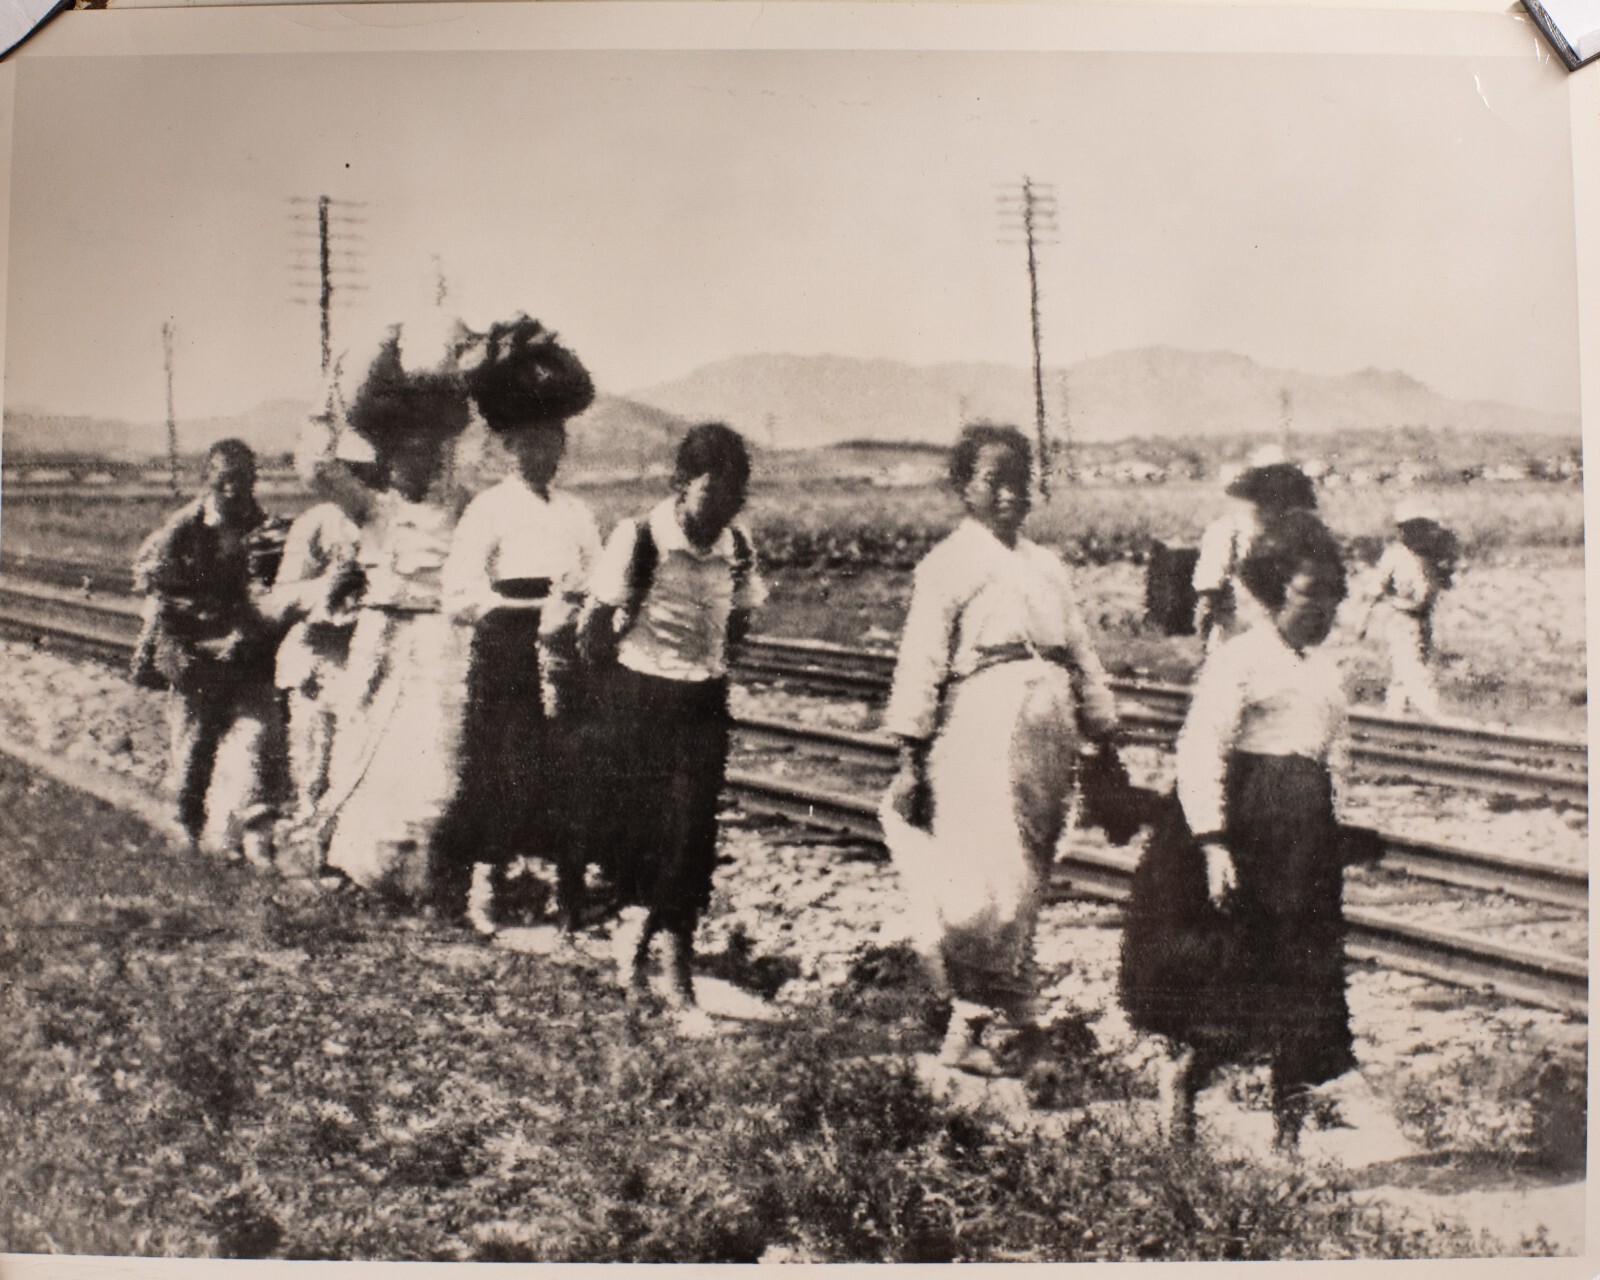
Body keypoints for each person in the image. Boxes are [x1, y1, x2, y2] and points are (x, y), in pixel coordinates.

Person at [1120, 509, 1373, 1152]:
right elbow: (1202, 748)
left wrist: (1335, 830)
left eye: (1331, 596)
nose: (1323, 609)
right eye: (1308, 594)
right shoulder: (1240, 659)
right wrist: (1212, 843)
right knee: (1234, 984)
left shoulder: (1324, 671)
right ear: (1273, 590)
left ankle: (1286, 1146)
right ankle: (1182, 1106)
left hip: (1304, 843)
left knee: (1302, 989)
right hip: (1251, 833)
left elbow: (1334, 756)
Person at [879, 423, 1121, 1076]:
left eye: (1020, 480)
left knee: (1030, 870)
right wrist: (910, 758)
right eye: (993, 480)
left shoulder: (1046, 567)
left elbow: (1080, 651)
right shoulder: (949, 565)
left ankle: (983, 1027)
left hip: (1049, 722)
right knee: (991, 873)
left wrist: (1102, 732)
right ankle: (995, 1020)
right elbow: (922, 661)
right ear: (964, 489)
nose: (1010, 493)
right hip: (981, 716)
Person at [574, 423, 765, 1014]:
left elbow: (741, 617)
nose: (721, 507)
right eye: (712, 492)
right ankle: (632, 962)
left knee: (692, 839)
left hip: (701, 701)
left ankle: (678, 982)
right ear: (682, 484)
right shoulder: (638, 537)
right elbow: (591, 630)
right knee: (641, 835)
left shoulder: (736, 546)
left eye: (734, 496)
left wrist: (710, 662)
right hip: (640, 698)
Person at [435, 316, 601, 934]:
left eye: (551, 442)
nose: (541, 454)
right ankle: (485, 890)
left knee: (567, 768)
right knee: (503, 767)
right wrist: (513, 612)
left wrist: (575, 613)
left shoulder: (579, 513)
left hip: (564, 648)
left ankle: (568, 899)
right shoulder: (489, 508)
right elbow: (457, 592)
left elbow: (597, 579)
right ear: (510, 449)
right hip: (506, 649)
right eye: (528, 443)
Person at [313, 325, 474, 902]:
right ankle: (351, 868)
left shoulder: (461, 506)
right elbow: (317, 467)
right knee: (361, 743)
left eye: (426, 455)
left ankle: (415, 878)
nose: (416, 464)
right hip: (379, 631)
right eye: (404, 455)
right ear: (388, 460)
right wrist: (327, 397)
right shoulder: (371, 507)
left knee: (434, 756)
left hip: (439, 639)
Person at [131, 438, 290, 865]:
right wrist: (212, 627)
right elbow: (166, 594)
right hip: (195, 654)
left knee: (258, 739)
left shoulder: (268, 527)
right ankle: (187, 828)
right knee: (196, 746)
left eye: (244, 480)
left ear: (255, 481)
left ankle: (245, 836)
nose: (235, 489)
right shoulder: (182, 530)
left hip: (246, 653)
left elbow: (277, 587)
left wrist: (250, 627)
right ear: (210, 479)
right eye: (226, 481)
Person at [261, 403, 383, 869]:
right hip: (320, 657)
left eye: (369, 471)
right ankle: (309, 857)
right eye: (354, 471)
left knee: (360, 764)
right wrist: (329, 587)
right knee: (314, 761)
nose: (362, 480)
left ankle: (352, 861)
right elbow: (280, 599)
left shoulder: (389, 519)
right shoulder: (318, 524)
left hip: (370, 656)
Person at [1192, 456, 1317, 651]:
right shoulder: (1231, 531)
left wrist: (1202, 640)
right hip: (1263, 640)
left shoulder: (1227, 529)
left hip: (1253, 641)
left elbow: (1208, 596)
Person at [1362, 500, 1456, 719]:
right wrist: (1363, 622)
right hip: (1402, 621)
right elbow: (1375, 590)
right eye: (1413, 528)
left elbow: (1443, 583)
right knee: (1414, 669)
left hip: (1423, 621)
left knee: (1405, 673)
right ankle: (1433, 715)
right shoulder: (1395, 556)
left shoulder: (1429, 558)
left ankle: (1394, 717)